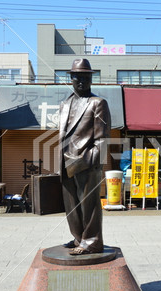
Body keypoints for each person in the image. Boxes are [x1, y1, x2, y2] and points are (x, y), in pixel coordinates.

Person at [58, 58, 111, 255]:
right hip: (65, 162)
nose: (80, 81)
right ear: (70, 79)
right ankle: (78, 237)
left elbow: (103, 140)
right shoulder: (65, 104)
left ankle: (92, 242)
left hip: (87, 164)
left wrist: (88, 162)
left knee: (90, 205)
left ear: (91, 79)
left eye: (85, 77)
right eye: (76, 77)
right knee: (71, 206)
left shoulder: (98, 103)